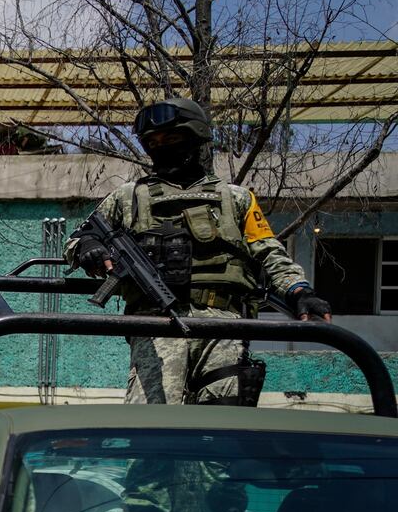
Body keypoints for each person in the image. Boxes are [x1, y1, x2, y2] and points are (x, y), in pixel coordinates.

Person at [66, 97, 331, 406]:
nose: (161, 146)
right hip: (155, 324)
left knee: (221, 428)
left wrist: (299, 291)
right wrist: (89, 247)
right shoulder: (128, 197)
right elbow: (76, 240)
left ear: (195, 140)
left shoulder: (236, 199)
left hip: (224, 325)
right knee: (151, 424)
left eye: (172, 138)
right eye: (152, 141)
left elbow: (270, 252)